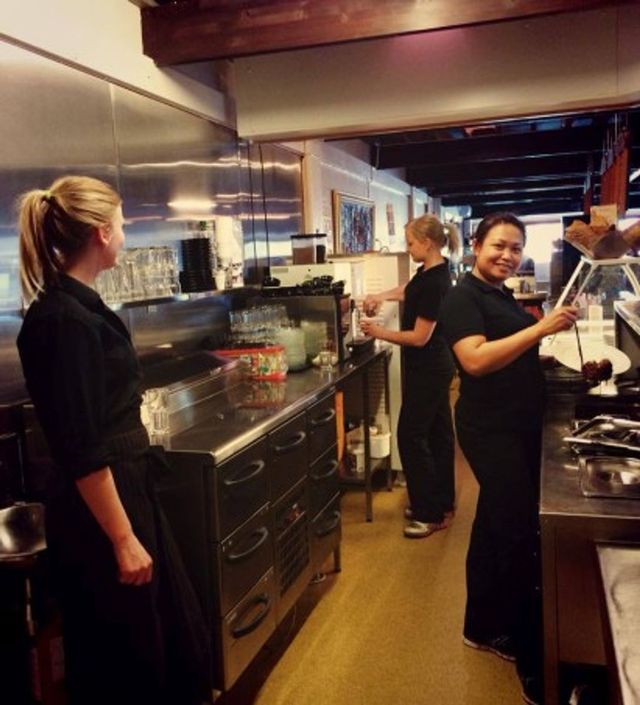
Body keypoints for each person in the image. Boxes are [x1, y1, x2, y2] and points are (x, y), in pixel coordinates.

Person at [16, 176, 211, 705]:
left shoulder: (78, 307)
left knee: (161, 637)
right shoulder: (63, 320)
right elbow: (82, 447)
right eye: (122, 225)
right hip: (101, 505)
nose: (125, 235)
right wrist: (123, 539)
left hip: (125, 485)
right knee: (127, 653)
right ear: (102, 233)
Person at [439, 212, 578, 705]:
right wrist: (540, 332)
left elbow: (505, 349)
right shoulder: (462, 297)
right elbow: (475, 360)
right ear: (476, 245)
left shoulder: (498, 294)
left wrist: (543, 354)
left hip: (515, 423)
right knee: (518, 534)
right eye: (499, 245)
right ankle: (528, 654)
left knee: (493, 525)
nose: (507, 255)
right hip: (490, 429)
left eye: (516, 248)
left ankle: (480, 626)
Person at [361, 214, 459, 538]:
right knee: (439, 435)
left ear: (427, 243)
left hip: (429, 367)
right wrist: (380, 296)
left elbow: (419, 338)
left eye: (411, 243)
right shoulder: (432, 272)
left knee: (411, 436)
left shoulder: (435, 283)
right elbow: (409, 289)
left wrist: (379, 332)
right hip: (435, 366)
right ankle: (441, 503)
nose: (408, 248)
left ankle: (428, 513)